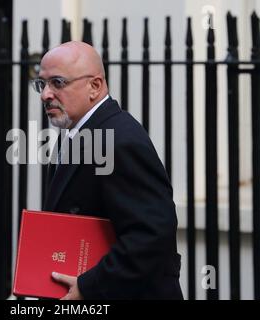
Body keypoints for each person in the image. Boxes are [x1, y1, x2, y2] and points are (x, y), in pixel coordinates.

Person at [32, 41, 183, 300]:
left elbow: (152, 235)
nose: (46, 94)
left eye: (57, 83)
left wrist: (88, 286)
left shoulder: (119, 140)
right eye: (42, 84)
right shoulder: (77, 133)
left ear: (95, 86)